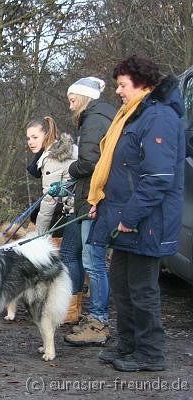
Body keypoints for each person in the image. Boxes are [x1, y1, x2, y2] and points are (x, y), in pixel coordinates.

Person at [88, 55, 185, 372]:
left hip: (147, 221)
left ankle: (150, 353)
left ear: (143, 84)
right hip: (123, 218)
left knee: (143, 290)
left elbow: (157, 179)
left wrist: (128, 219)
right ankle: (127, 345)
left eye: (122, 85)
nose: (118, 91)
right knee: (121, 284)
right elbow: (121, 171)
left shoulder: (159, 118)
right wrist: (99, 201)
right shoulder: (132, 116)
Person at [60, 78, 116, 342]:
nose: (70, 104)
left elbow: (90, 162)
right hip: (93, 197)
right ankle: (93, 318)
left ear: (84, 97)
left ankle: (98, 322)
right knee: (92, 262)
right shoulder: (103, 116)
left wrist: (71, 169)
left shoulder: (93, 120)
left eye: (73, 99)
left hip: (94, 201)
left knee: (93, 263)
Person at [25, 116, 76, 236]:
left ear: (47, 135)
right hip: (76, 207)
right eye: (28, 138)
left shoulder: (52, 158)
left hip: (76, 212)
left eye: (35, 137)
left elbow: (49, 201)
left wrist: (38, 235)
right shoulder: (62, 150)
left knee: (67, 253)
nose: (30, 142)